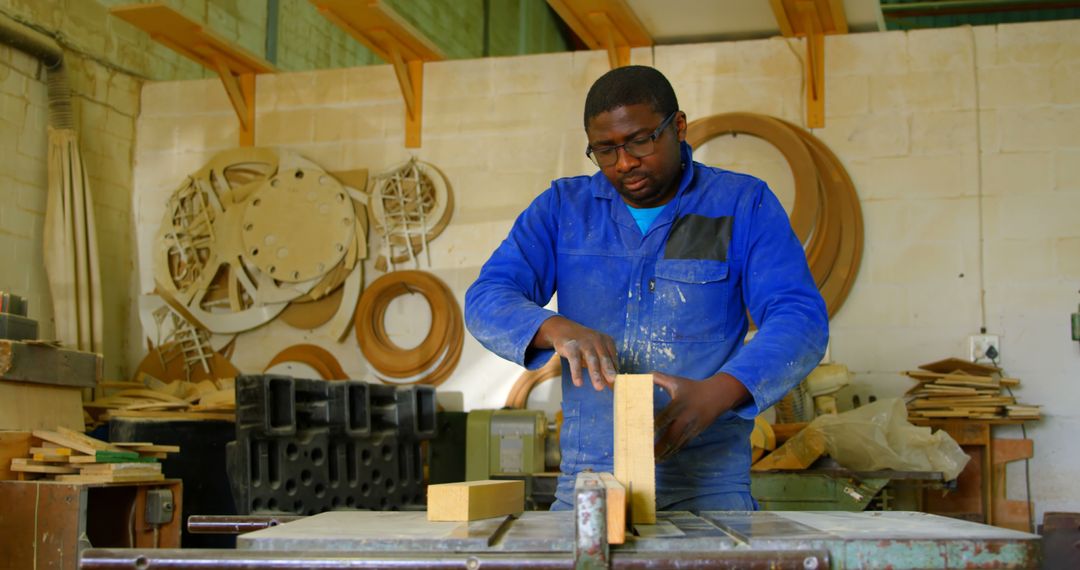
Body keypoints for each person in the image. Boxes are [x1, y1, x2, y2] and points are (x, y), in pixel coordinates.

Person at [464, 65, 828, 512]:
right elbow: (486, 298)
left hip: (708, 487)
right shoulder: (563, 209)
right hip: (590, 482)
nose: (624, 163)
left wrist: (723, 390)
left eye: (640, 141)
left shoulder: (742, 204)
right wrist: (554, 327)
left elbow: (800, 318)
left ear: (677, 126)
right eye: (604, 150)